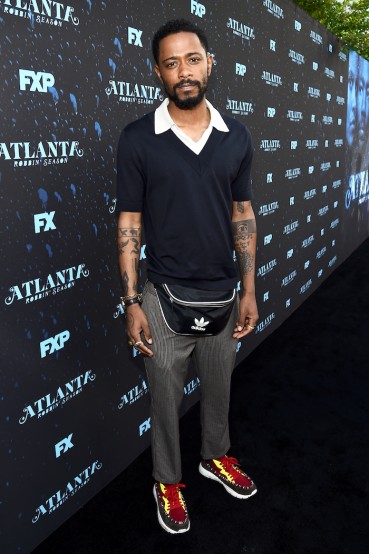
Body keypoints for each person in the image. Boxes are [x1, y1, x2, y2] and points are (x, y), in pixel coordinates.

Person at [116, 19, 258, 534]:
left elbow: (242, 213)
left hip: (223, 292)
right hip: (163, 295)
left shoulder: (235, 135)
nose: (184, 71)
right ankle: (168, 482)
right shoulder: (137, 139)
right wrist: (131, 301)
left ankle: (215, 457)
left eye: (192, 59)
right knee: (163, 398)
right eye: (171, 63)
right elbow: (130, 222)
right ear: (157, 72)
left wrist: (249, 289)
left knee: (218, 391)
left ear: (209, 62)